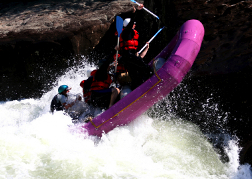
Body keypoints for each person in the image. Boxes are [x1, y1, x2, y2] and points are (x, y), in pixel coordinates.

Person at [116, 4, 153, 90]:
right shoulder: (126, 33)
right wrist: (136, 12)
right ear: (130, 25)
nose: (135, 25)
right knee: (145, 67)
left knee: (135, 76)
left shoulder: (131, 34)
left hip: (129, 57)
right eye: (134, 24)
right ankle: (153, 79)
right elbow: (131, 23)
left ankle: (137, 89)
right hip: (128, 56)